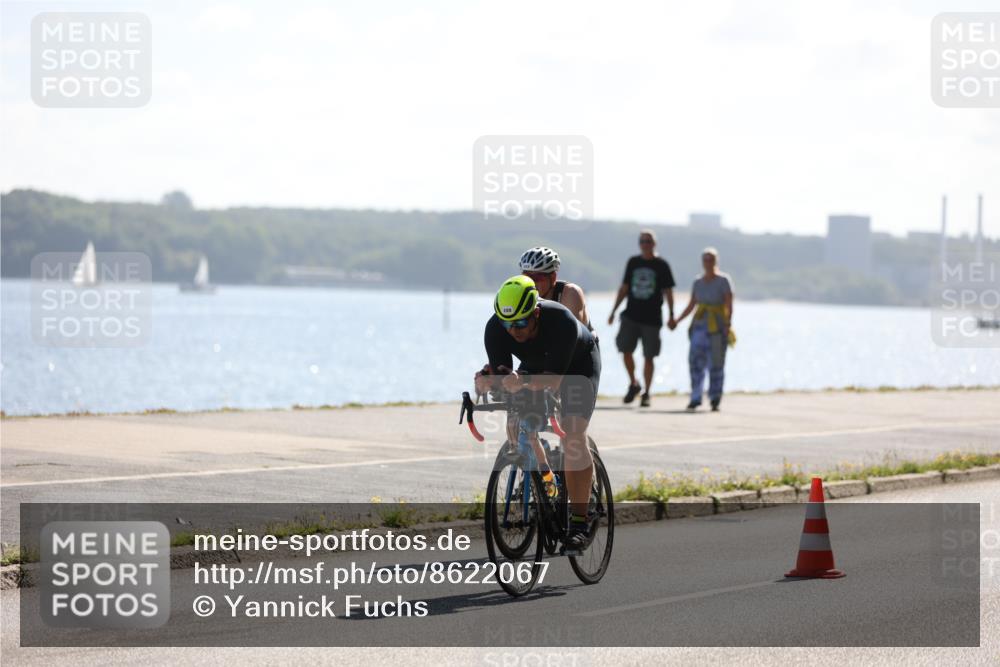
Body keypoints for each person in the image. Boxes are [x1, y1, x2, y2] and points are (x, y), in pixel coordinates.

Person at [474, 275, 601, 551]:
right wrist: (487, 381)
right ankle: (546, 480)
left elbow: (554, 383)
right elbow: (504, 378)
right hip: (537, 365)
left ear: (537, 312)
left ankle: (580, 520)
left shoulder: (562, 321)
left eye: (521, 322)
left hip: (577, 366)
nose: (515, 331)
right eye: (509, 324)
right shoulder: (496, 329)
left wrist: (521, 383)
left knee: (573, 434)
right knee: (518, 420)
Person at [607, 229, 675, 407]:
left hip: (652, 319)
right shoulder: (633, 262)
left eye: (649, 241)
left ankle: (647, 392)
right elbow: (624, 288)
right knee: (625, 349)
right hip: (631, 315)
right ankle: (634, 383)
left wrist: (672, 315)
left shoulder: (662, 265)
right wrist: (613, 311)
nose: (645, 244)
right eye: (643, 241)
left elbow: (668, 292)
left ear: (654, 244)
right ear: (639, 244)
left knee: (649, 356)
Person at [670, 247, 734, 411]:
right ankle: (696, 396)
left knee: (716, 364)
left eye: (711, 259)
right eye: (705, 260)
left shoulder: (723, 280)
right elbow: (692, 304)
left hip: (717, 328)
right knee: (695, 363)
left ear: (716, 261)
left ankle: (715, 397)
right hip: (699, 327)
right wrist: (677, 320)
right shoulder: (697, 282)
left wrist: (727, 324)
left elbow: (728, 303)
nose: (708, 263)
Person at [518, 246, 592, 329]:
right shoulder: (520, 292)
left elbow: (572, 334)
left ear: (553, 278)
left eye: (537, 277)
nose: (531, 282)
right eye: (527, 276)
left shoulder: (571, 293)